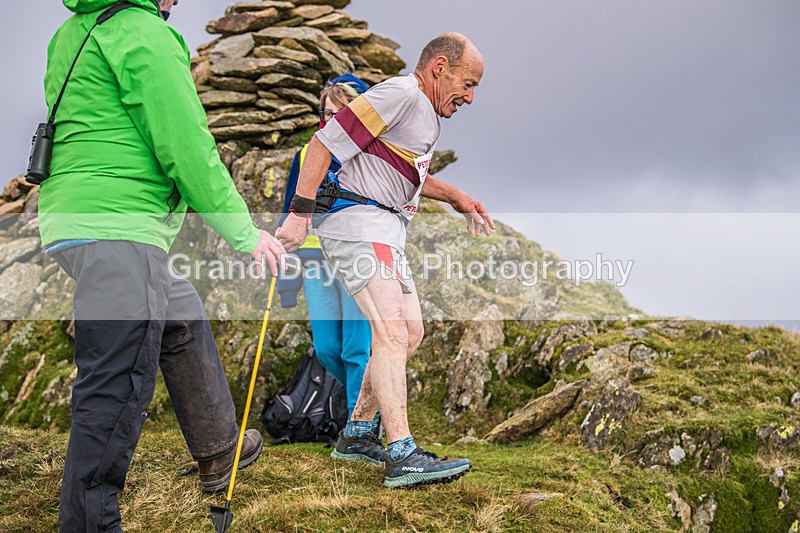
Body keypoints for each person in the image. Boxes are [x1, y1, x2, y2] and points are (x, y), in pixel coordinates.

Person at [38, 1, 284, 530]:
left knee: (178, 310)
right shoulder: (144, 33)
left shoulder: (73, 30)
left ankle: (220, 447)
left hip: (73, 223)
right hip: (119, 227)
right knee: (115, 387)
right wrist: (245, 231)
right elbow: (186, 145)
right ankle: (89, 523)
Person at [277, 33, 494, 488]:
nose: (470, 97)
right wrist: (298, 216)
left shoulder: (422, 112)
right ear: (439, 67)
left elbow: (407, 171)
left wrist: (456, 196)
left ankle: (357, 433)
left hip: (386, 226)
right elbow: (324, 144)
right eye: (467, 83)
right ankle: (402, 452)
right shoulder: (401, 92)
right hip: (358, 219)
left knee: (410, 333)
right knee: (391, 330)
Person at [277, 74, 378, 426]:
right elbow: (290, 214)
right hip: (315, 263)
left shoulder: (371, 156)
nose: (330, 122)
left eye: (339, 114)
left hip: (356, 256)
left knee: (355, 349)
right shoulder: (306, 153)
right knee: (327, 349)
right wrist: (286, 284)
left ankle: (358, 427)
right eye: (325, 114)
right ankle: (365, 412)